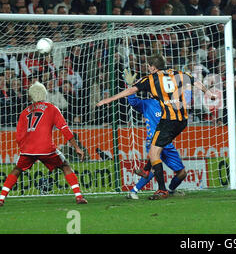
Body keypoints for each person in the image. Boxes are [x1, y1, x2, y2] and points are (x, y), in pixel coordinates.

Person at [96, 55, 213, 200]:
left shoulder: (150, 79)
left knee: (155, 155)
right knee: (154, 153)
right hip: (182, 121)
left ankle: (162, 189)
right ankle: (147, 180)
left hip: (168, 122)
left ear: (152, 67)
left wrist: (109, 99)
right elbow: (196, 81)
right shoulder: (178, 74)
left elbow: (132, 91)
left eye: (149, 66)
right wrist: (209, 93)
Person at [0, 82, 88, 206]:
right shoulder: (51, 108)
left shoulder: (25, 112)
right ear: (44, 93)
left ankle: (1, 198)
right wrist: (77, 148)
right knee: (65, 166)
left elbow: (19, 136)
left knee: (17, 170)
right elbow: (64, 129)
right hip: (47, 149)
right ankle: (79, 197)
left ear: (30, 96)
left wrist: (25, 149)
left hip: (28, 150)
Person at [121, 68, 187, 200]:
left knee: (182, 173)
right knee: (153, 167)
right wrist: (130, 86)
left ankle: (170, 189)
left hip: (167, 143)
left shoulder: (170, 103)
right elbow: (133, 102)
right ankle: (134, 191)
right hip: (153, 141)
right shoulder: (147, 104)